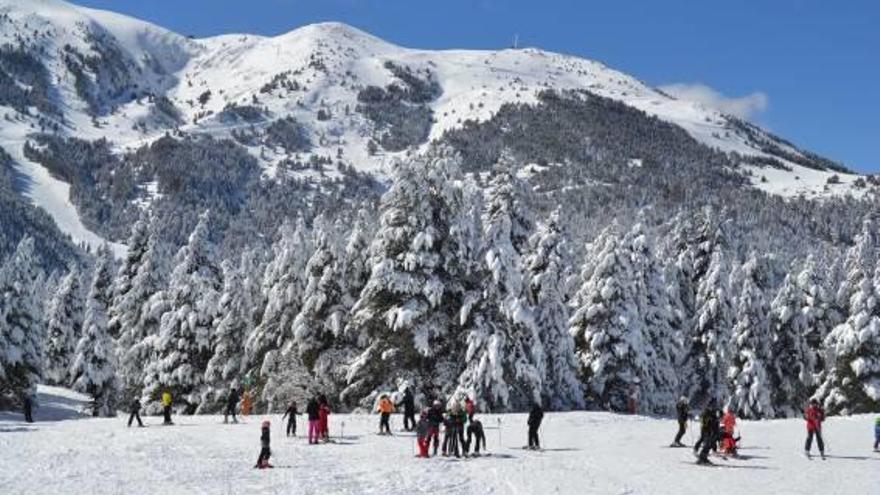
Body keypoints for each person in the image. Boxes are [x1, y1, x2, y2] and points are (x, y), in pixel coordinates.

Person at [695, 400, 721, 464]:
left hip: (711, 431)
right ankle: (702, 458)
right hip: (706, 430)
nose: (714, 407)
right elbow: (704, 421)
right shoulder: (706, 412)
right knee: (707, 444)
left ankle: (704, 457)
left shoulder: (713, 412)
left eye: (714, 406)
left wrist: (716, 420)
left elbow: (715, 421)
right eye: (713, 406)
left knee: (709, 445)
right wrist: (711, 420)